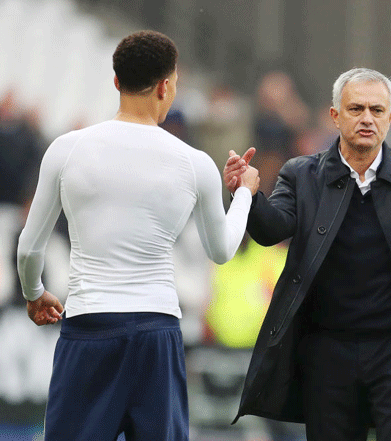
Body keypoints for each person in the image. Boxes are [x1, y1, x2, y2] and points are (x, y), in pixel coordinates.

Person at [16, 30, 259, 441]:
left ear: (116, 82)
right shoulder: (193, 162)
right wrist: (244, 195)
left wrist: (34, 292)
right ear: (166, 86)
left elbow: (28, 249)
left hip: (89, 327)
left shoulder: (67, 149)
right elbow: (222, 250)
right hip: (156, 331)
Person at [224, 67, 391, 441]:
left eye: (377, 110)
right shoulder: (301, 174)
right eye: (356, 108)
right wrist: (247, 195)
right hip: (328, 351)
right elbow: (271, 229)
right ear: (334, 116)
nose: (367, 119)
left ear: (390, 120)